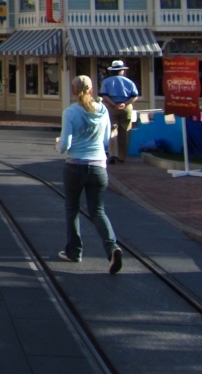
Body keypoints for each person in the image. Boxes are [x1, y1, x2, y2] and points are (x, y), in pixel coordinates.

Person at [57, 75, 123, 273]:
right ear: (91, 91)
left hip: (75, 165)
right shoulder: (103, 111)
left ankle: (74, 251)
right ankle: (112, 247)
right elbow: (104, 141)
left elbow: (65, 145)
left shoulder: (70, 112)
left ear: (74, 90)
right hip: (98, 166)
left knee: (72, 208)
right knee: (98, 210)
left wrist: (58, 145)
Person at [98, 61, 139, 163]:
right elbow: (135, 96)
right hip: (126, 107)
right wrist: (125, 104)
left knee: (112, 130)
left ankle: (113, 154)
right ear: (122, 71)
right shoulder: (129, 82)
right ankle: (122, 156)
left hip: (112, 107)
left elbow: (104, 95)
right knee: (125, 131)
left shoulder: (106, 82)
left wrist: (113, 104)